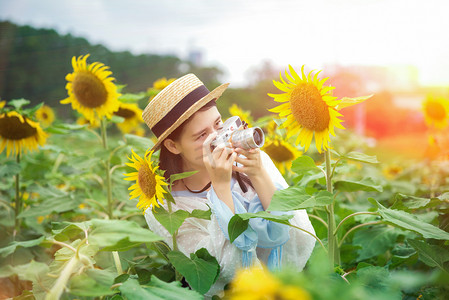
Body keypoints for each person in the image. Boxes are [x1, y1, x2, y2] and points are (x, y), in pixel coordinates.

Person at [142, 74, 316, 298]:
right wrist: (221, 187)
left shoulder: (250, 163)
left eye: (218, 125)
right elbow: (223, 273)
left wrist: (258, 172)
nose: (218, 138)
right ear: (173, 145)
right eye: (201, 135)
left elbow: (297, 237)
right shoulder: (164, 207)